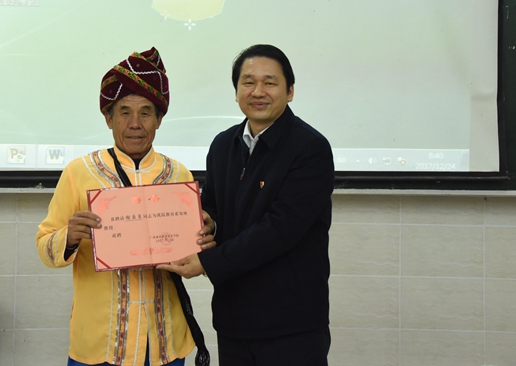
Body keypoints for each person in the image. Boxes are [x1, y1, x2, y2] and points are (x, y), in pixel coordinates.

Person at [158, 44, 335, 365]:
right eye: (248, 82)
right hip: (234, 319)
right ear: (236, 91)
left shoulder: (310, 148)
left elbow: (279, 229)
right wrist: (207, 222)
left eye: (270, 82)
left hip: (291, 324)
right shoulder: (223, 144)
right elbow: (213, 204)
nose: (258, 91)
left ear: (290, 91)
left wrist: (207, 263)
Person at [37, 47, 214, 366]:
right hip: (101, 342)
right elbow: (45, 247)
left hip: (164, 341)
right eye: (124, 112)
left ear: (159, 119)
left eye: (146, 113)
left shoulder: (178, 175)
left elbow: (192, 254)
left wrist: (202, 243)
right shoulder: (79, 173)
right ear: (108, 118)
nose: (135, 124)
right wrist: (70, 237)